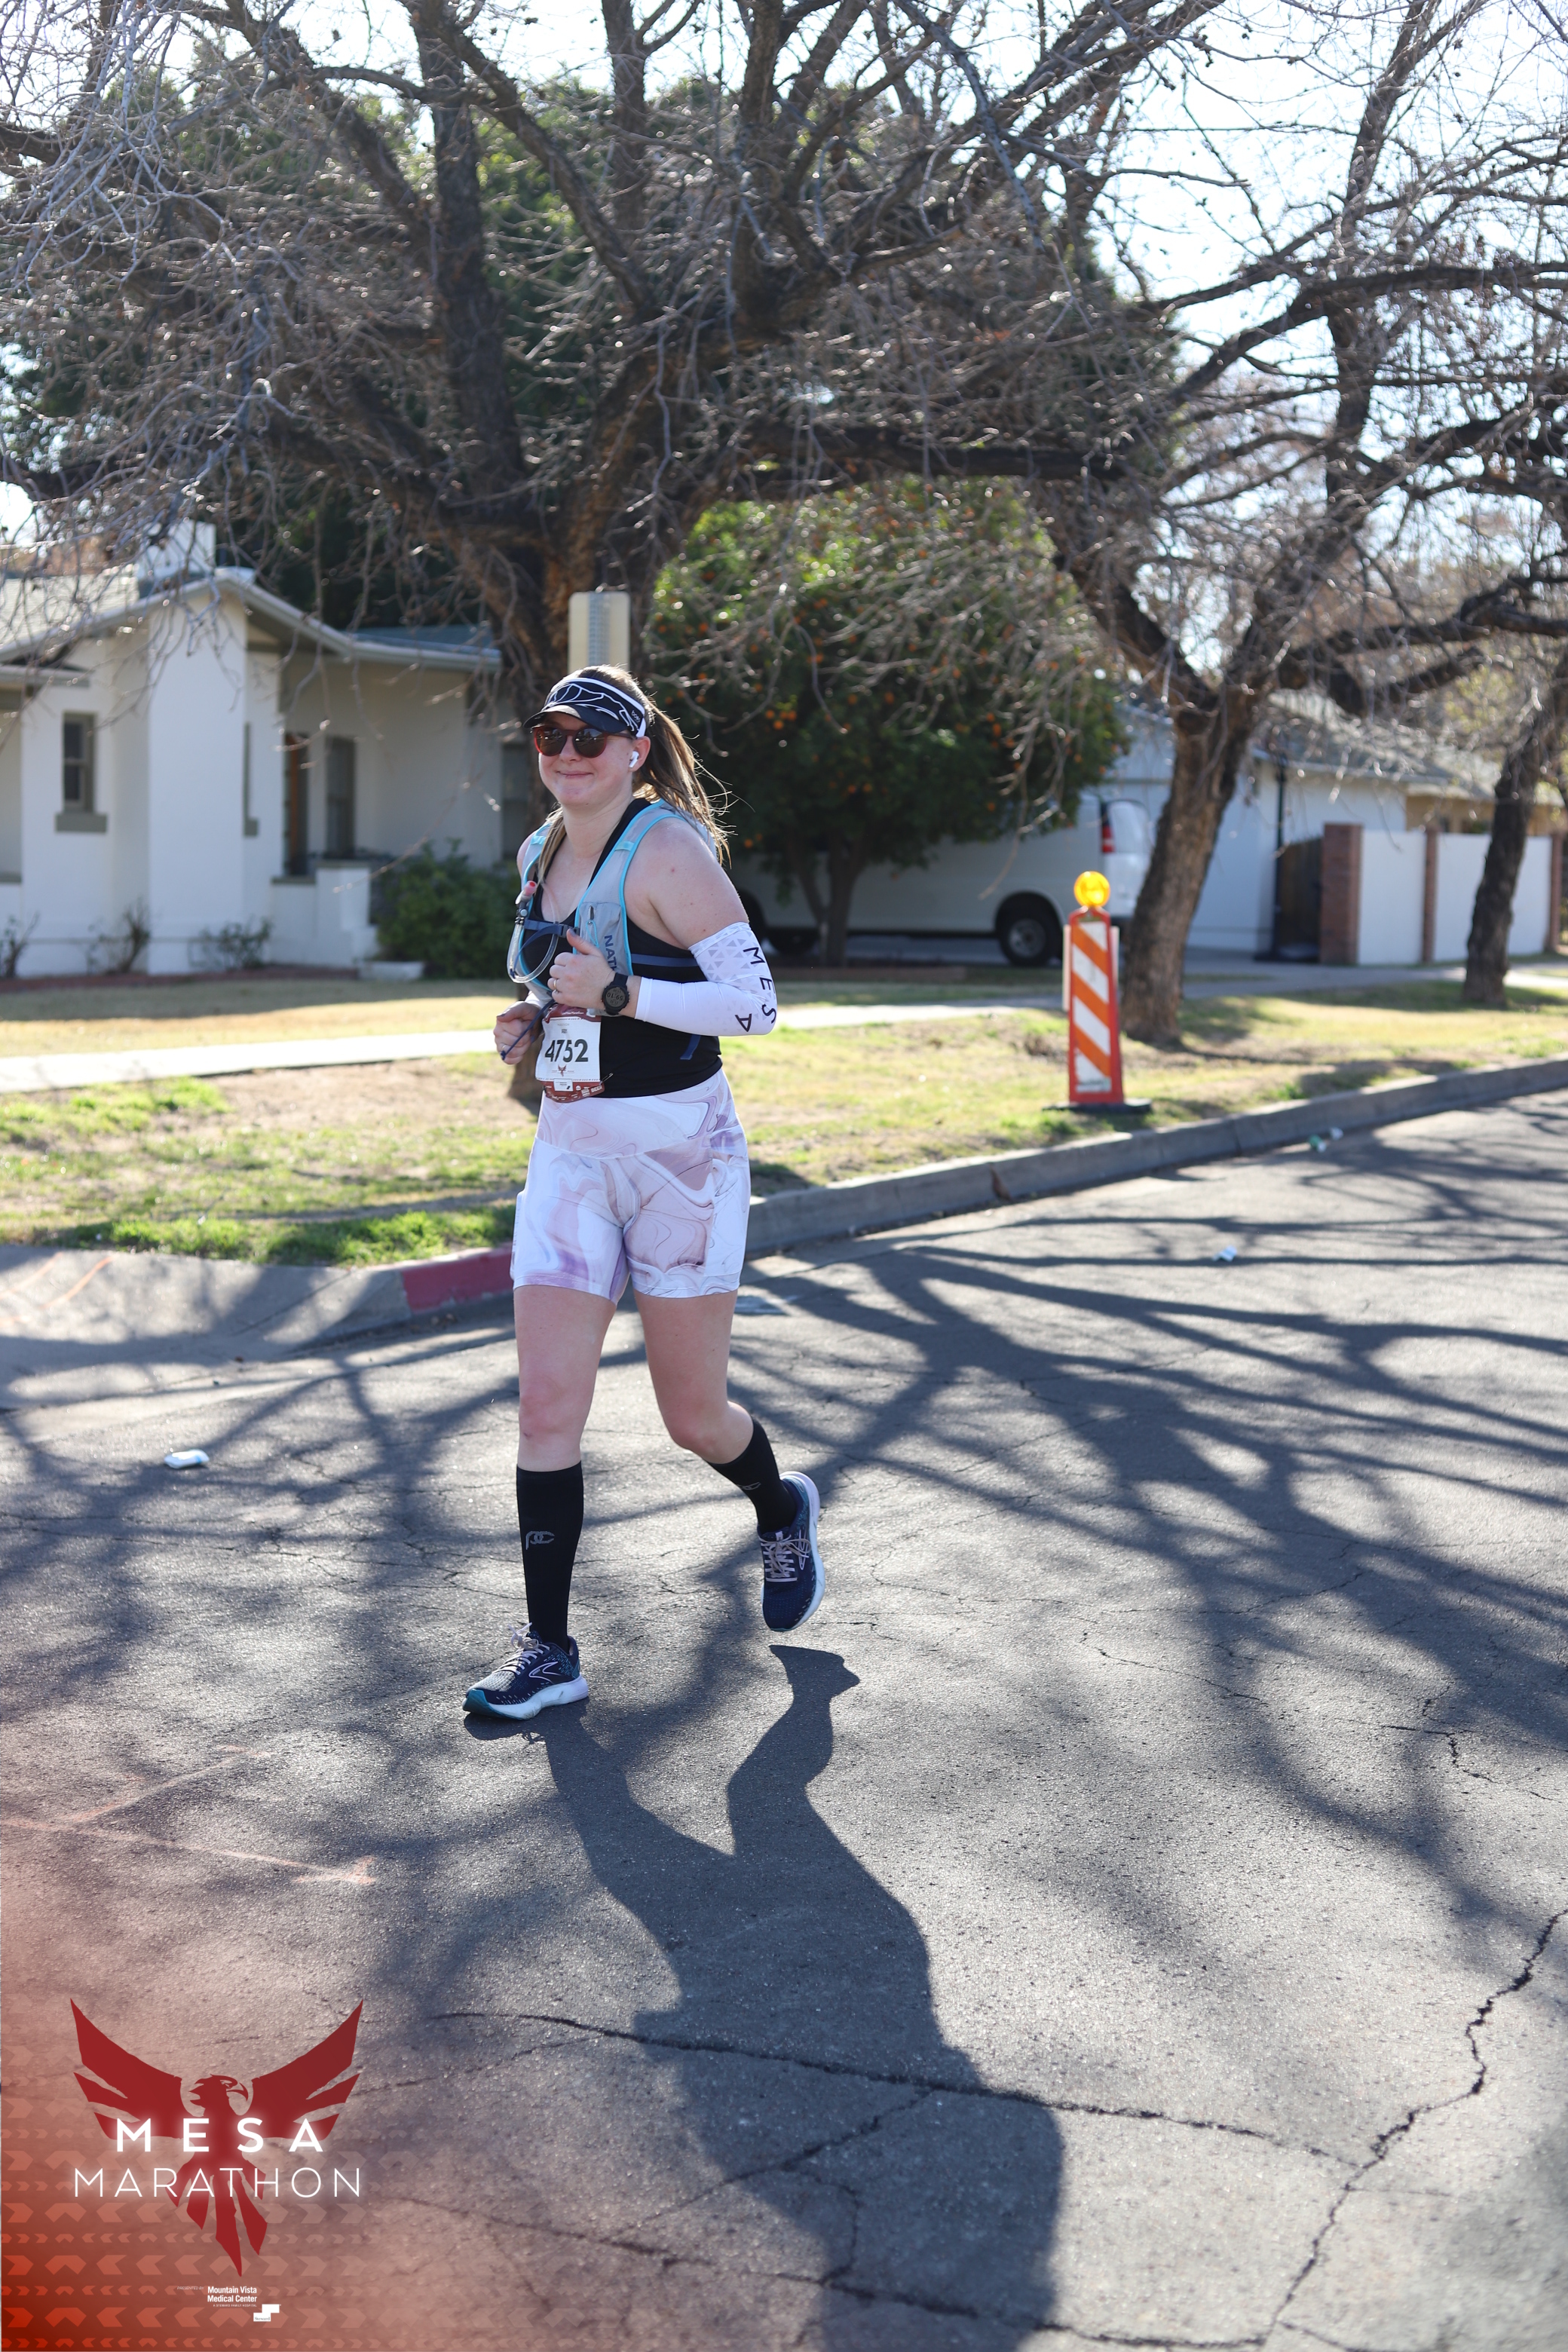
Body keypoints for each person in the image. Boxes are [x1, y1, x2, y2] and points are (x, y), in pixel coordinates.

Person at [463, 663, 825, 1722]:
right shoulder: (538, 853)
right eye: (550, 735)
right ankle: (549, 1650)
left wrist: (623, 993)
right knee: (547, 1408)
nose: (568, 754)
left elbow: (756, 1004)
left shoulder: (669, 852)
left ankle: (779, 1505)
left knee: (693, 1415)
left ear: (635, 751)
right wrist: (535, 1017)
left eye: (592, 737)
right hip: (572, 1151)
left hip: (682, 1158)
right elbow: (558, 977)